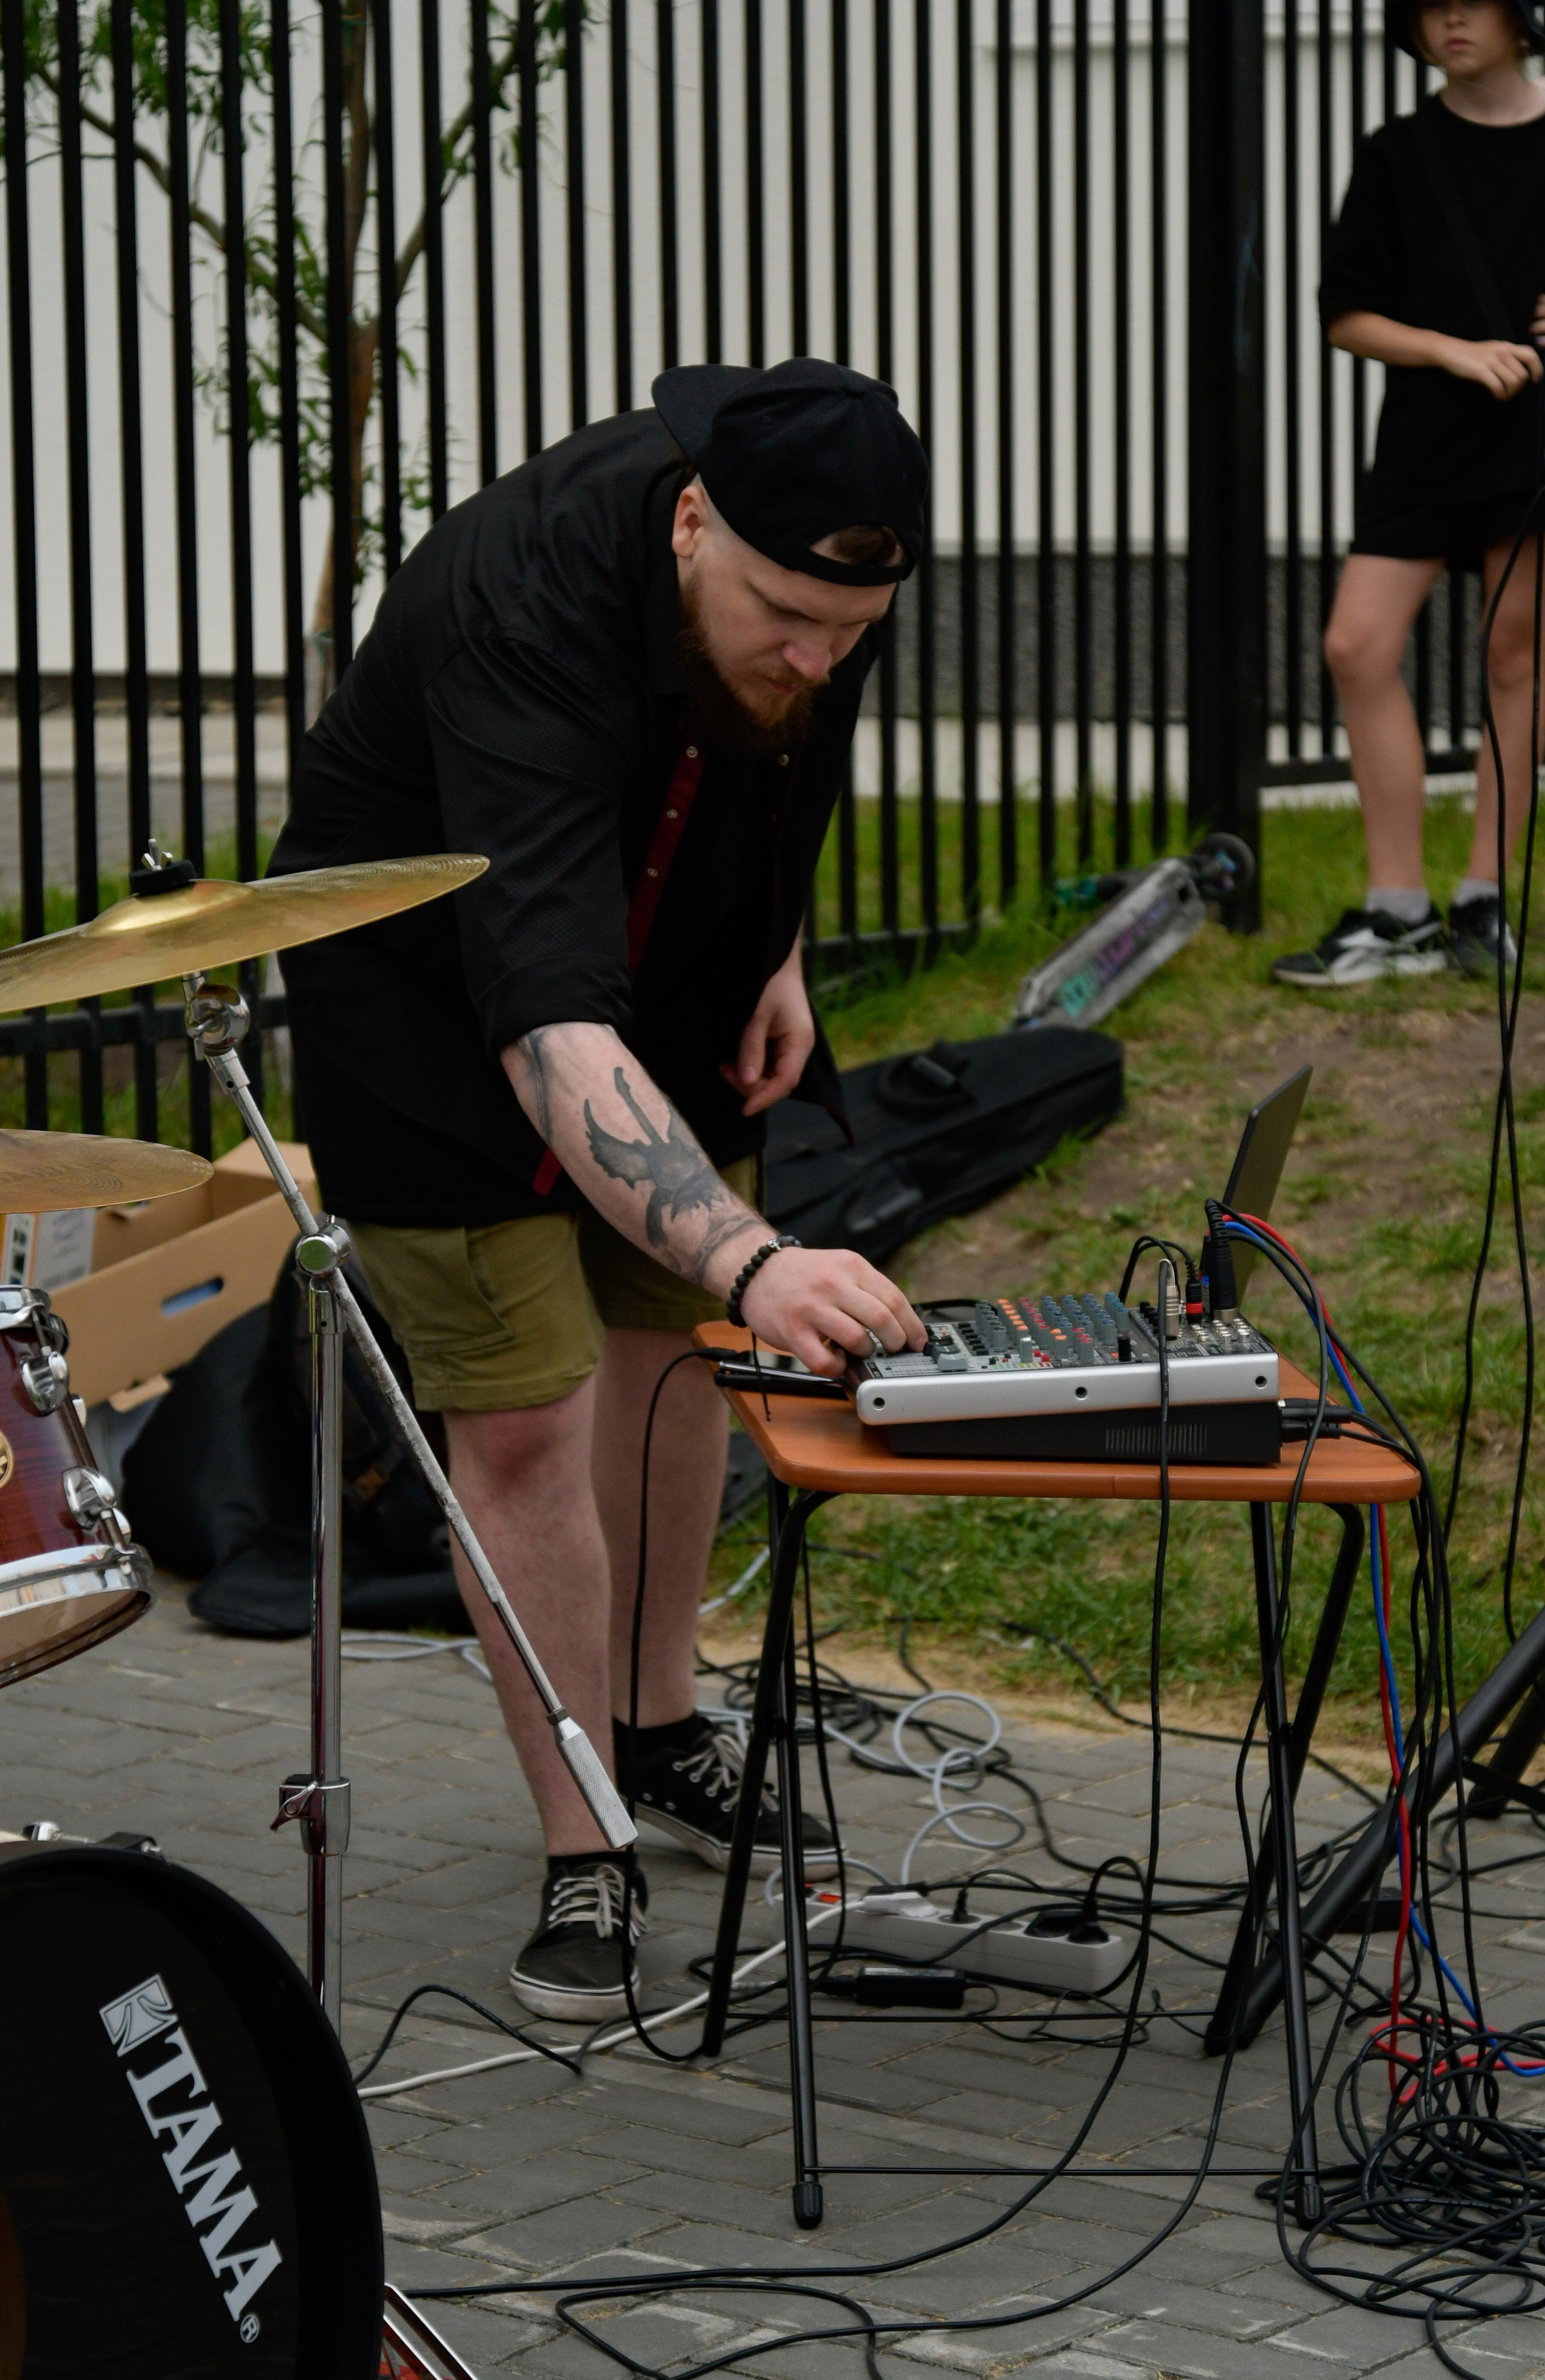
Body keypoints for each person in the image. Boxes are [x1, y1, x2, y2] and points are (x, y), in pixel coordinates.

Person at [268, 360, 931, 2019]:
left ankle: (658, 1724)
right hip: (423, 993)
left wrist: (775, 941)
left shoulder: (811, 572)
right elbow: (544, 1012)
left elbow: (797, 739)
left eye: (853, 630)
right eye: (788, 616)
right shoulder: (526, 603)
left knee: (673, 1342)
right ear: (692, 519)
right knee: (522, 1418)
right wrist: (756, 1251)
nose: (820, 656)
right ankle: (585, 1841)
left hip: (676, 936)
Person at [1273, 0, 1545, 990]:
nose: (1449, 20)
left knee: (1514, 656)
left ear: (1522, 16)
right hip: (1423, 438)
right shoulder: (1397, 152)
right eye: (1427, 6)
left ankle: (1481, 900)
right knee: (1356, 644)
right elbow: (1347, 315)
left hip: (1537, 440)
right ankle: (1396, 908)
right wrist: (1453, 350)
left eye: (1473, 0)